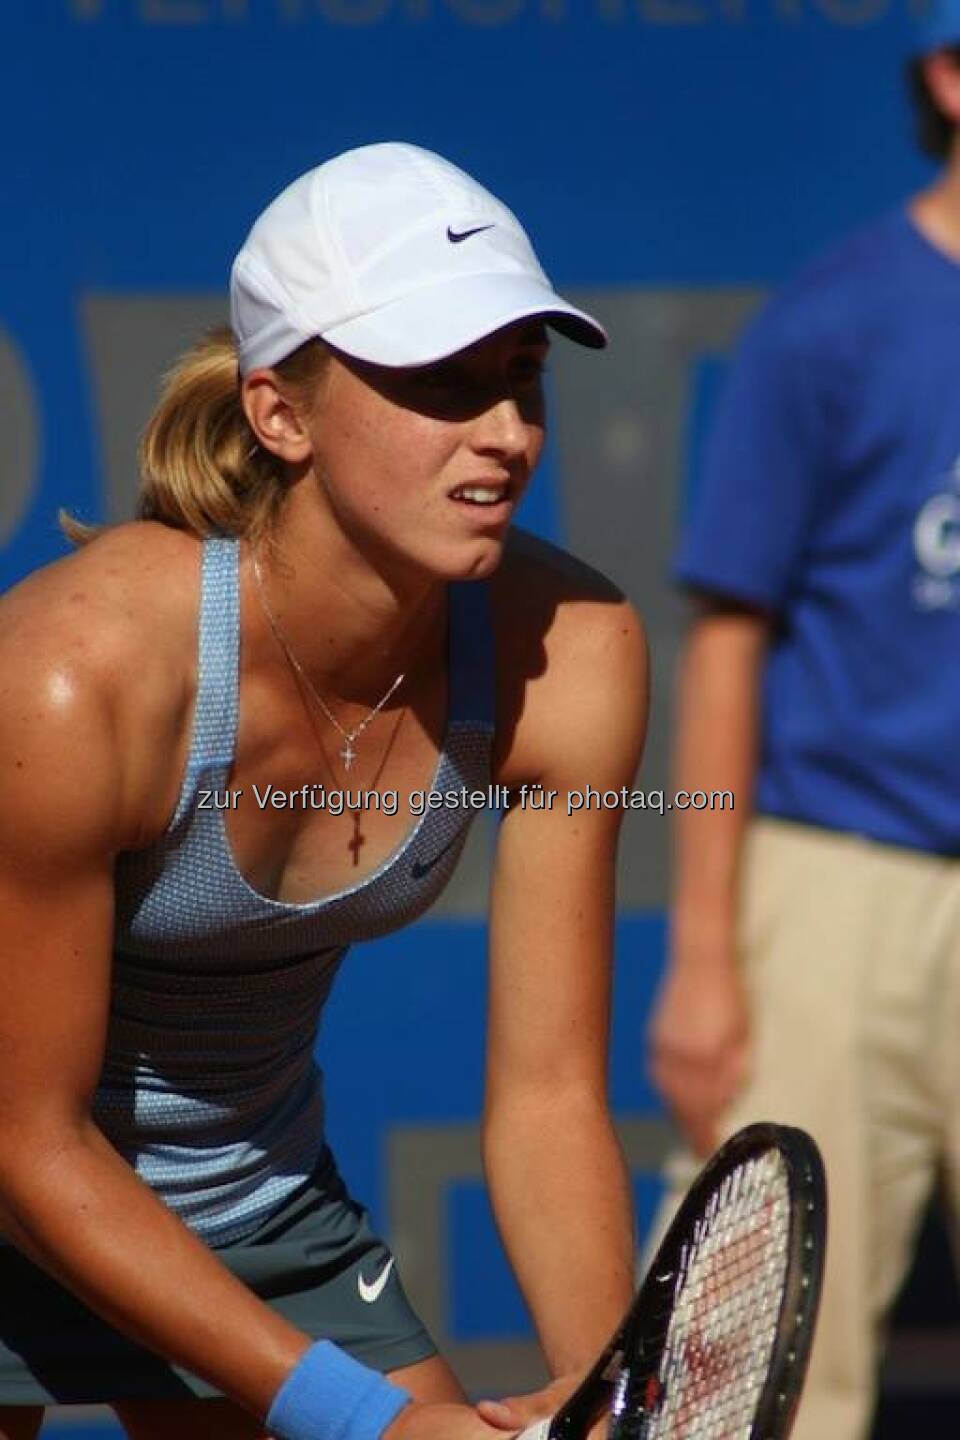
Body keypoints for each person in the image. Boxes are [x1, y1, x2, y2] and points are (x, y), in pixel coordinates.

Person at [0, 143, 646, 1440]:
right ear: (277, 414)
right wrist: (368, 1420)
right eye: (439, 381)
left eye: (522, 379)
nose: (506, 431)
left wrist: (610, 1397)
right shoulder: (75, 681)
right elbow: (28, 1142)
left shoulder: (570, 651)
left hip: (264, 1211)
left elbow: (549, 1097)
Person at [648, 18, 960, 1440]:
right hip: (844, 879)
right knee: (759, 1372)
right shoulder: (833, 322)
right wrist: (706, 951)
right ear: (947, 80)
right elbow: (726, 644)